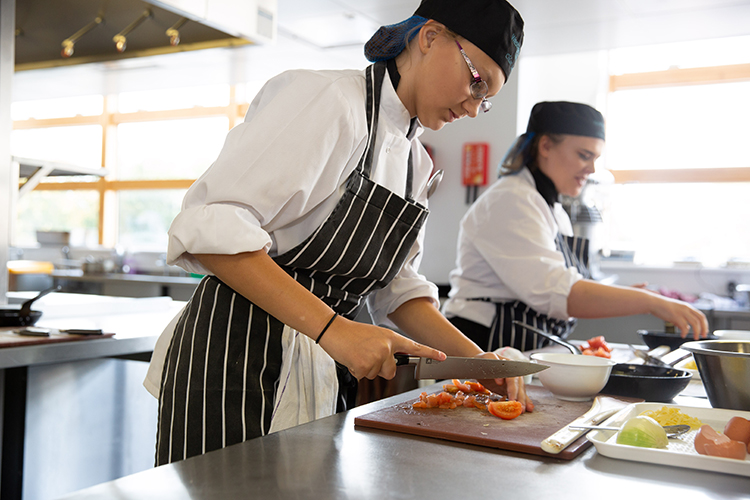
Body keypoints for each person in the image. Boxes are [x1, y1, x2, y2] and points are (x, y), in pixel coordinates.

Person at [144, 0, 528, 465]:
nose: (472, 106)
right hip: (235, 356)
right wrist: (335, 329)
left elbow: (398, 290)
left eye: (485, 100)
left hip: (317, 365)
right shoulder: (329, 100)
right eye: (476, 80)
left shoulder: (416, 163)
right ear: (430, 38)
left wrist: (480, 364)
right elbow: (212, 228)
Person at [442, 101, 709, 353]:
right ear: (545, 146)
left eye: (595, 158)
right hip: (485, 344)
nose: (591, 169)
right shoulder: (511, 200)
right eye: (584, 155)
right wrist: (651, 302)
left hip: (526, 345)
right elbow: (558, 292)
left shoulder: (552, 208)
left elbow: (570, 283)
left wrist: (629, 294)